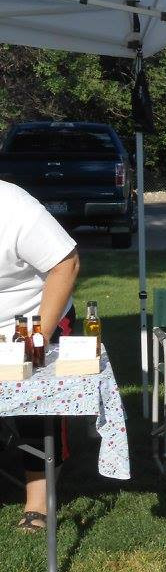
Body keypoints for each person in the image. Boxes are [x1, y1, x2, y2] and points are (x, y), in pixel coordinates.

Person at [0, 179, 80, 533]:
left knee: (37, 403)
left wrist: (37, 339)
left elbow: (66, 264)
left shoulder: (15, 206)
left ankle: (37, 500)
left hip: (34, 315)